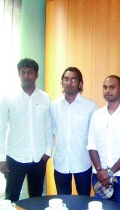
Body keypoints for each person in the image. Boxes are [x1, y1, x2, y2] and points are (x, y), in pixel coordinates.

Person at [0, 58, 54, 202]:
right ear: (19, 74)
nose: (26, 76)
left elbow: (49, 127)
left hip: (39, 158)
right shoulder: (8, 98)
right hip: (15, 157)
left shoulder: (45, 98)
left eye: (30, 72)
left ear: (36, 75)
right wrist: (1, 158)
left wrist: (47, 153)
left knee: (36, 198)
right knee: (11, 197)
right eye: (23, 73)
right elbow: (1, 129)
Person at [87, 75, 120, 210]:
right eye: (105, 87)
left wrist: (110, 172)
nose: (107, 91)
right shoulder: (97, 115)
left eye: (112, 87)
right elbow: (91, 145)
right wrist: (100, 170)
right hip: (99, 175)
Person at [50, 67, 98, 196]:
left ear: (80, 83)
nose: (69, 83)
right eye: (66, 79)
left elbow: (94, 136)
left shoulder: (91, 106)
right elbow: (53, 131)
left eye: (73, 79)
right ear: (62, 82)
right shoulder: (54, 106)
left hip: (82, 162)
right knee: (63, 201)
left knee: (84, 201)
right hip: (61, 162)